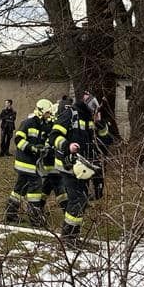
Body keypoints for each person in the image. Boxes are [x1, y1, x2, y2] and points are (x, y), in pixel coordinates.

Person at [52, 96, 99, 248]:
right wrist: (68, 146)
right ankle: (68, 238)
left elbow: (94, 142)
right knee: (77, 200)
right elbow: (54, 136)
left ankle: (72, 236)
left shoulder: (89, 119)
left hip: (83, 167)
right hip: (68, 166)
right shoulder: (70, 114)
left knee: (82, 200)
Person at [4, 98, 55, 225]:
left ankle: (10, 214)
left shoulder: (43, 125)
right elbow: (18, 140)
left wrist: (45, 148)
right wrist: (32, 148)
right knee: (35, 189)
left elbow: (46, 140)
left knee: (19, 189)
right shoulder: (28, 123)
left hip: (32, 164)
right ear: (41, 111)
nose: (49, 115)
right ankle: (35, 218)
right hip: (26, 163)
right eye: (47, 113)